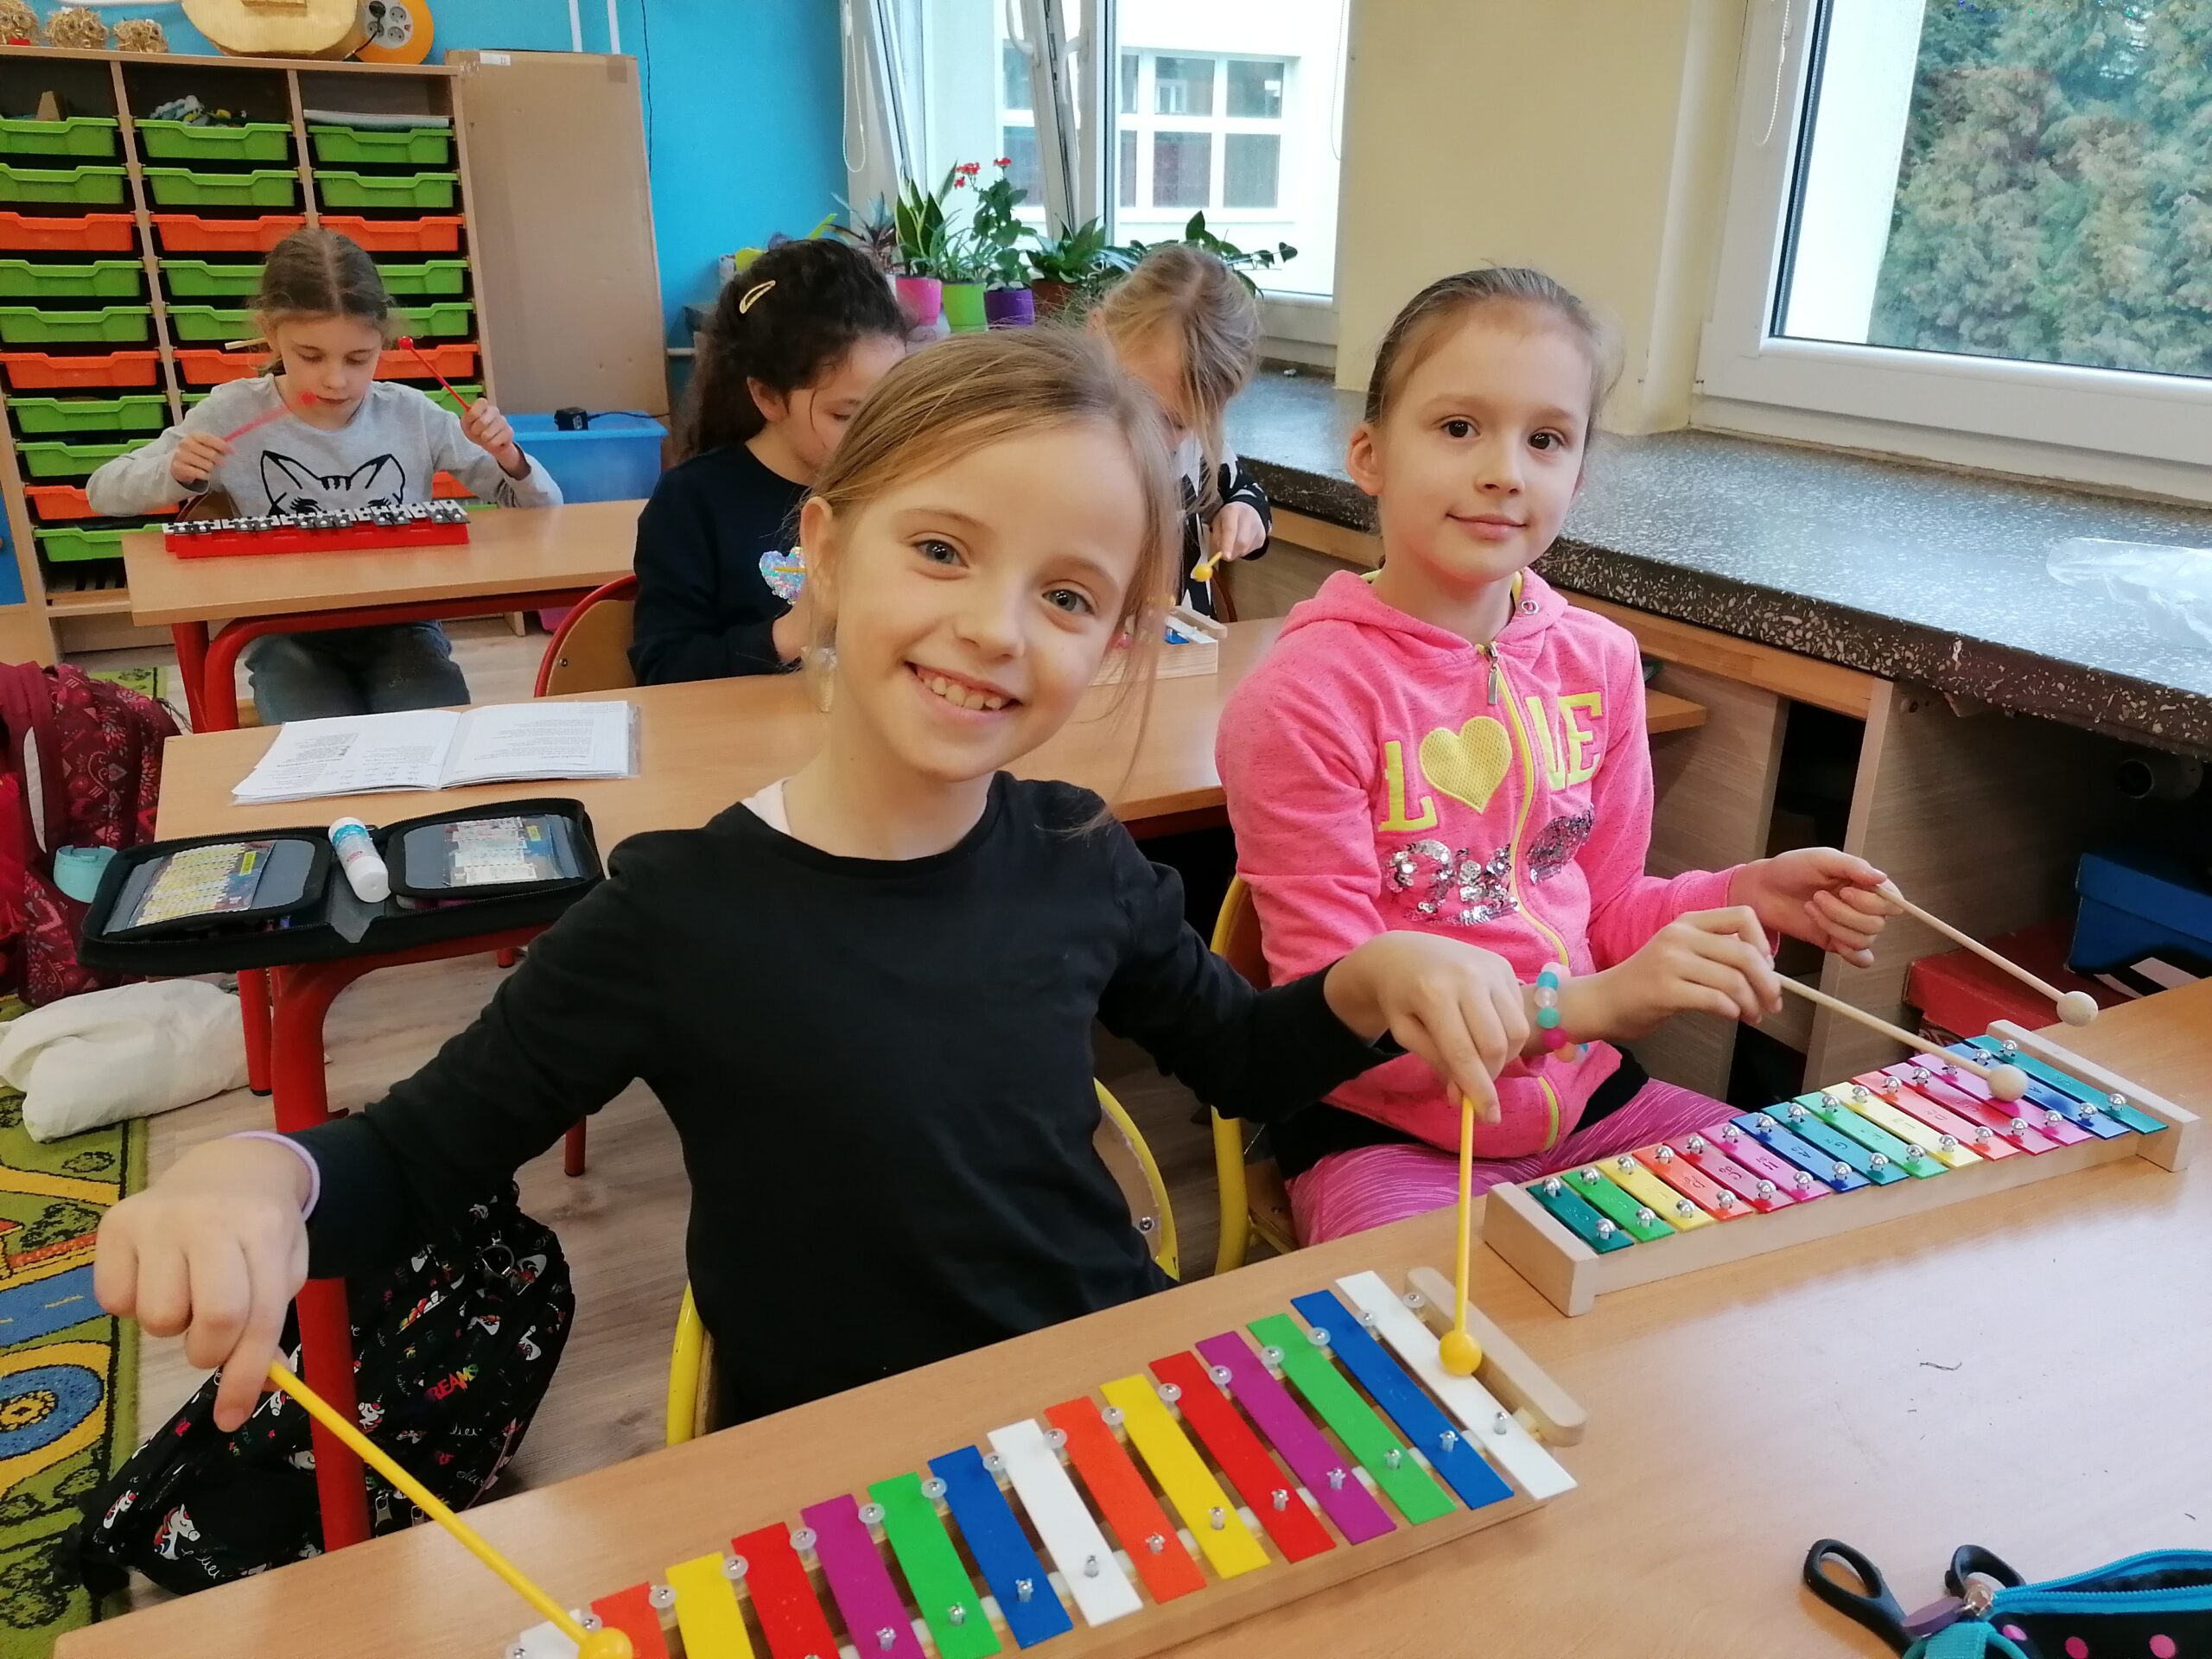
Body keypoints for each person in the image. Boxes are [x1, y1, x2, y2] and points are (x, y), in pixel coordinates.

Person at [96, 330, 1550, 1434]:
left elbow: (1241, 1064)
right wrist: (258, 1175)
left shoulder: (1080, 857)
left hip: (1104, 1391)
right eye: (942, 550)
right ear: (827, 555)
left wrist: (1368, 980)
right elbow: (415, 1161)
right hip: (840, 1463)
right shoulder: (675, 914)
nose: (996, 629)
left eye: (1066, 595)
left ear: (1116, 637)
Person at [1217, 267, 1898, 1243]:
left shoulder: (1600, 663)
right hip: (1390, 1134)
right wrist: (1593, 1005)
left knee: (1816, 1230)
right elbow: (1333, 1009)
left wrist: (1745, 892)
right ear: (1369, 455)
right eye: (1459, 427)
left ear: (1576, 478)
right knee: (1423, 1327)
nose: (1506, 471)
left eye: (1545, 440)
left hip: (1590, 1105)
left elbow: (1606, 910)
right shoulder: (1301, 698)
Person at [86, 227, 560, 722]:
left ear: (383, 340)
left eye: (359, 358)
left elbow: (543, 509)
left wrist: (509, 456)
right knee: (321, 748)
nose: (336, 380)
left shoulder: (410, 414)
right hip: (287, 631)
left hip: (401, 624)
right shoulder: (232, 411)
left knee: (431, 736)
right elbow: (102, 491)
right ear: (270, 334)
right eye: (310, 356)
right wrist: (174, 472)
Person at [627, 238, 907, 684]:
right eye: (846, 416)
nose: (875, 433)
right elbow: (664, 668)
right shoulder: (692, 502)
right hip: (747, 727)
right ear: (767, 397)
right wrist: (792, 633)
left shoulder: (899, 486)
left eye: (891, 406)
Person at [1090, 244, 1271, 620]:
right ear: (1097, 334)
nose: (1151, 435)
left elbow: (1247, 493)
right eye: (1136, 401)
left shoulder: (1197, 449)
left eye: (1176, 423)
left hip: (1186, 639)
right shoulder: (1060, 446)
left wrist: (1246, 515)